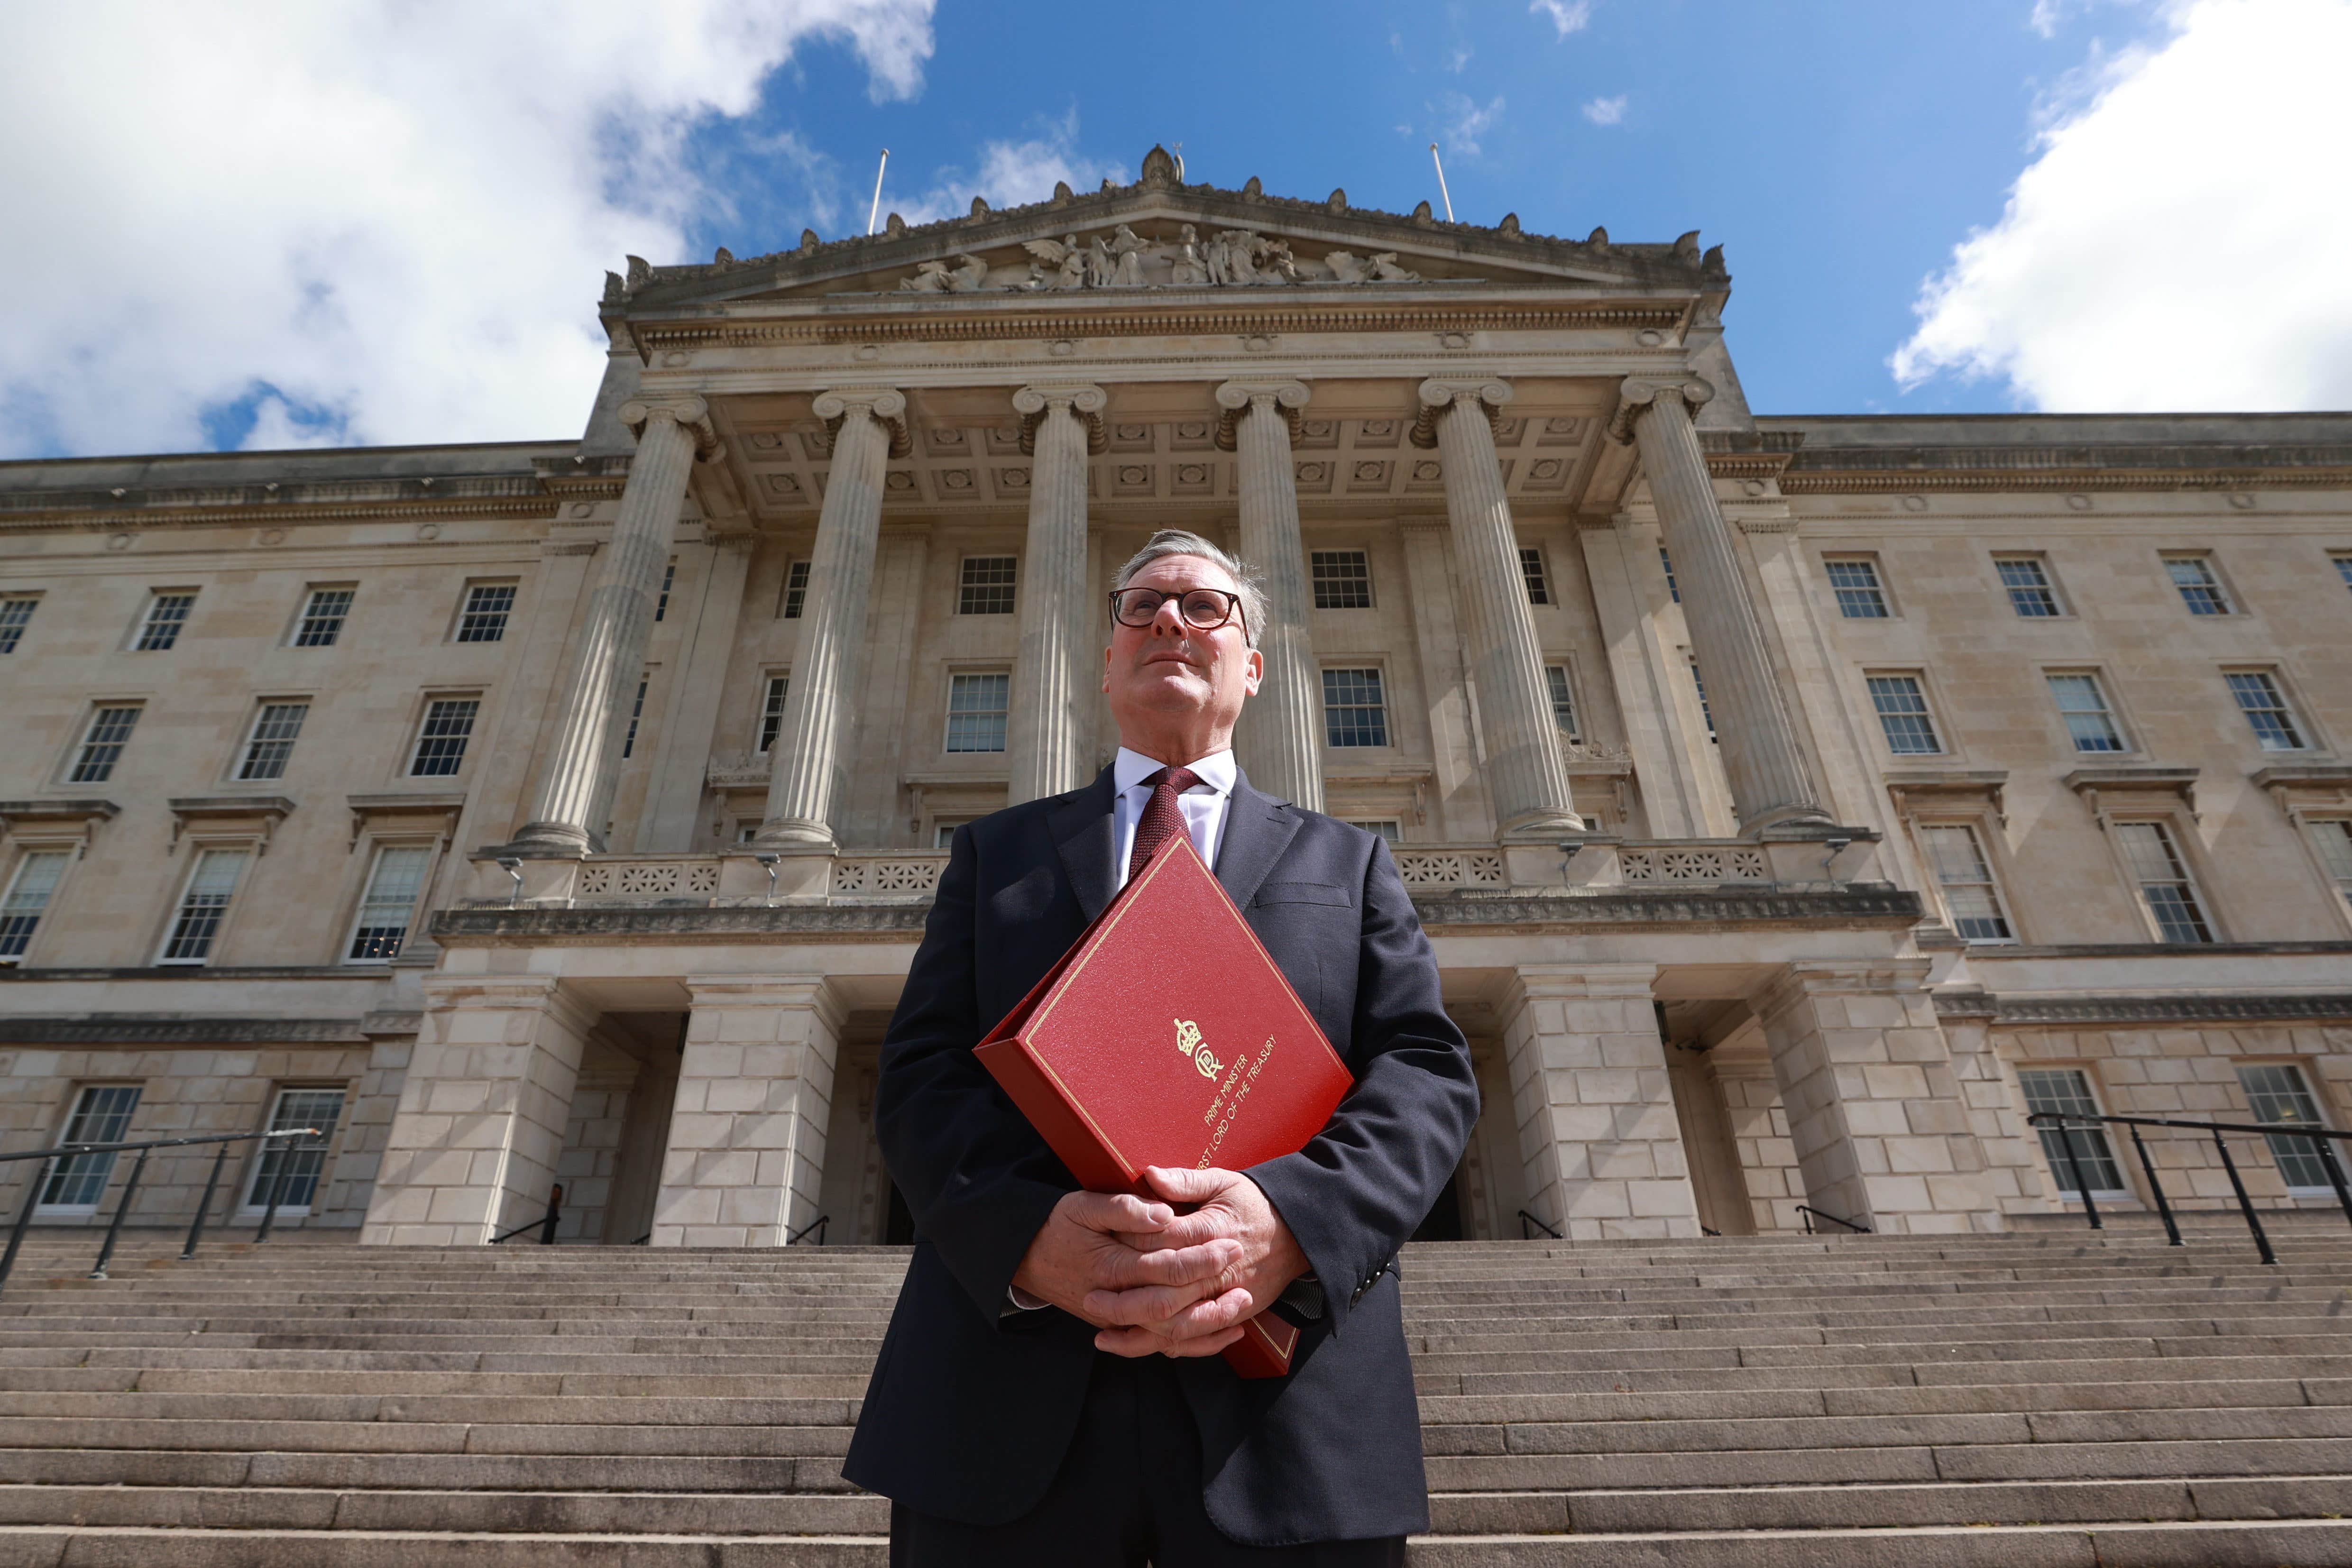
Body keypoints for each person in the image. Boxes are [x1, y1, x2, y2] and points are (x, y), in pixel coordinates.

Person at [844, 529, 1479, 1566]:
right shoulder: (994, 853)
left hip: (1288, 1413)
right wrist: (1024, 1236)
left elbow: (1424, 1072)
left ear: (1252, 666)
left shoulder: (1350, 860)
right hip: (1006, 1400)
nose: (1169, 623)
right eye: (1139, 607)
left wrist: (1288, 1223)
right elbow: (919, 1075)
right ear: (1106, 662)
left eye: (1203, 606)